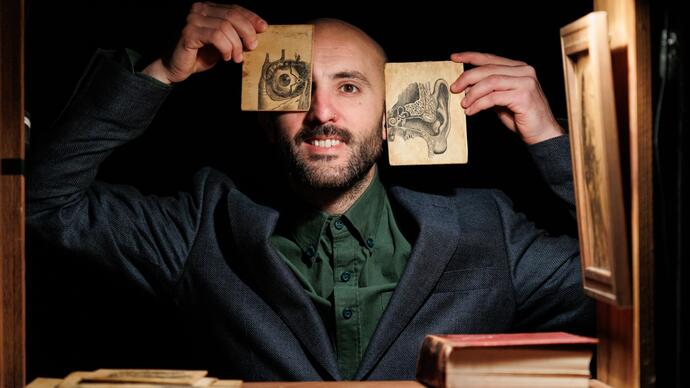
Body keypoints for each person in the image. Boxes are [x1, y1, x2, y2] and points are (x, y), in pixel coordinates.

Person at [26, 2, 593, 381]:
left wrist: (549, 138)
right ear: (263, 117)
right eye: (296, 89)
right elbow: (45, 203)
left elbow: (640, 286)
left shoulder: (485, 227)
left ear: (393, 113)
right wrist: (159, 74)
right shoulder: (204, 225)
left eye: (348, 86)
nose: (322, 113)